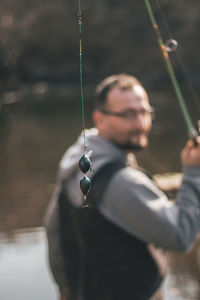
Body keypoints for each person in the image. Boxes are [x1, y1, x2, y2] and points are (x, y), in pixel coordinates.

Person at [44, 74, 200, 300]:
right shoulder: (121, 183)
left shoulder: (78, 156)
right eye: (127, 114)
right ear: (100, 119)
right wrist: (194, 172)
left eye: (144, 112)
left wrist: (65, 289)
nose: (140, 124)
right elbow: (181, 235)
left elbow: (53, 228)